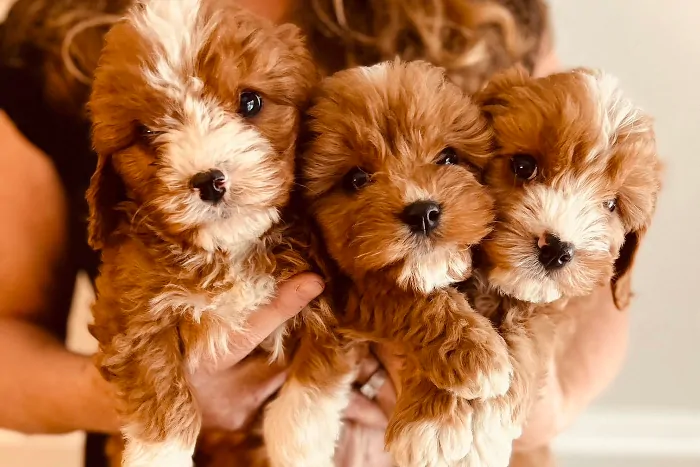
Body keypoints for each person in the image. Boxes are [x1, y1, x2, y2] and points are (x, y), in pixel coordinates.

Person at [0, 0, 629, 466]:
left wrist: (549, 401)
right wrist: (138, 397)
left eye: (250, 106)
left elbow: (595, 237)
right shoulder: (48, 36)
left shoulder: (488, 11)